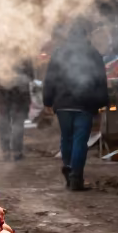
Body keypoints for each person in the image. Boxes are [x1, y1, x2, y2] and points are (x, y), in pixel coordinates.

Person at [42, 24, 109, 191]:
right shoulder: (93, 53)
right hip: (84, 103)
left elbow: (50, 78)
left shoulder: (59, 52)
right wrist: (102, 101)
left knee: (66, 137)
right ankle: (76, 176)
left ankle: (68, 165)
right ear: (86, 36)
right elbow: (101, 79)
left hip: (63, 104)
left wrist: (48, 100)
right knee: (80, 140)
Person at [0, 57, 34, 161]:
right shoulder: (24, 54)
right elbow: (30, 77)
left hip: (2, 96)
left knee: (4, 124)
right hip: (19, 95)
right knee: (17, 123)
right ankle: (17, 152)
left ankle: (6, 152)